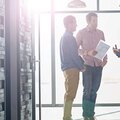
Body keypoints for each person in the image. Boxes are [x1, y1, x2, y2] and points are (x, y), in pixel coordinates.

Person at [76, 12, 108, 120]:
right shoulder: (81, 33)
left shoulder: (101, 33)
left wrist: (105, 60)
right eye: (94, 21)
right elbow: (75, 50)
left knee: (94, 90)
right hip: (87, 65)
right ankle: (86, 114)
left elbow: (104, 48)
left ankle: (91, 113)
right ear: (88, 21)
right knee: (87, 90)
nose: (96, 23)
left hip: (98, 65)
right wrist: (87, 53)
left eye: (97, 20)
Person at [60, 15, 85, 120]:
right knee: (70, 94)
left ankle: (67, 116)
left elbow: (73, 53)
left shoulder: (65, 36)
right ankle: (66, 117)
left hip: (68, 68)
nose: (76, 25)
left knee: (69, 93)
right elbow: (73, 55)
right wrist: (81, 66)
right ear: (69, 24)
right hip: (72, 69)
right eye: (74, 22)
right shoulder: (69, 38)